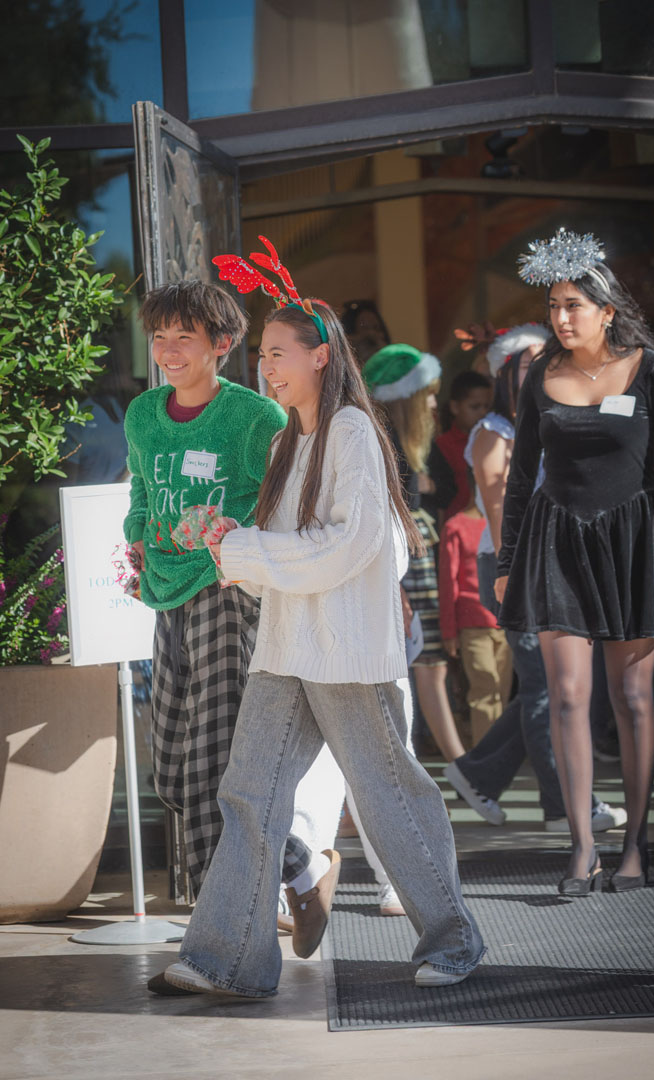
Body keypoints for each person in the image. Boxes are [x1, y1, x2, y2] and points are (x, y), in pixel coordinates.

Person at [156, 261, 484, 996]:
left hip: (344, 653)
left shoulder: (351, 430)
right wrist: (231, 541)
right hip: (286, 649)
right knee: (249, 797)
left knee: (387, 795)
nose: (266, 367)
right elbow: (291, 554)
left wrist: (244, 550)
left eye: (278, 352)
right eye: (262, 354)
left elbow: (351, 544)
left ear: (321, 356)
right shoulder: (289, 443)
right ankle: (225, 962)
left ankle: (455, 939)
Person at [496, 228, 654, 894]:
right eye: (554, 306)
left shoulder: (650, 371)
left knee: (633, 698)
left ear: (607, 311)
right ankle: (582, 847)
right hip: (556, 542)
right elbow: (520, 474)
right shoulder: (540, 376)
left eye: (574, 306)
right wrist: (506, 560)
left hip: (635, 543)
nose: (561, 318)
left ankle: (636, 845)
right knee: (565, 695)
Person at [124, 281, 324, 918]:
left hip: (227, 593)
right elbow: (141, 490)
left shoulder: (255, 417)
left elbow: (283, 503)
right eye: (160, 336)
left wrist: (237, 534)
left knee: (211, 758)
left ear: (223, 344)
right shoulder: (142, 413)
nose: (168, 350)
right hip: (165, 593)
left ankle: (226, 922)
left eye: (185, 337)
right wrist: (137, 535)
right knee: (172, 769)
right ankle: (301, 866)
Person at [444, 325, 625, 837]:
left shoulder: (553, 419)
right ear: (505, 373)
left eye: (546, 358)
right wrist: (513, 573)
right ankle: (566, 804)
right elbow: (499, 507)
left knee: (556, 684)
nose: (541, 367)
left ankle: (479, 772)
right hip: (517, 567)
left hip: (558, 565)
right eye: (527, 362)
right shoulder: (494, 431)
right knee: (549, 687)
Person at [363, 343, 466, 762]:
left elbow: (446, 489)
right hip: (406, 556)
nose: (434, 403)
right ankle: (458, 764)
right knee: (426, 659)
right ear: (405, 398)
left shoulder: (412, 443)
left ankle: (451, 762)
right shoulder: (387, 444)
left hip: (411, 553)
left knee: (424, 659)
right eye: (427, 394)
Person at [438, 475, 512, 744]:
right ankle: (485, 756)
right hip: (472, 625)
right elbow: (448, 583)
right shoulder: (455, 526)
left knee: (502, 694)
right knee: (484, 690)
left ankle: (498, 754)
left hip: (505, 624)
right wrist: (449, 631)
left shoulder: (505, 524)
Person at [435, 370, 493, 519]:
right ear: (455, 407)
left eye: (487, 406)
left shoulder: (492, 442)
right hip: (457, 522)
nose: (483, 413)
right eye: (475, 407)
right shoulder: (442, 446)